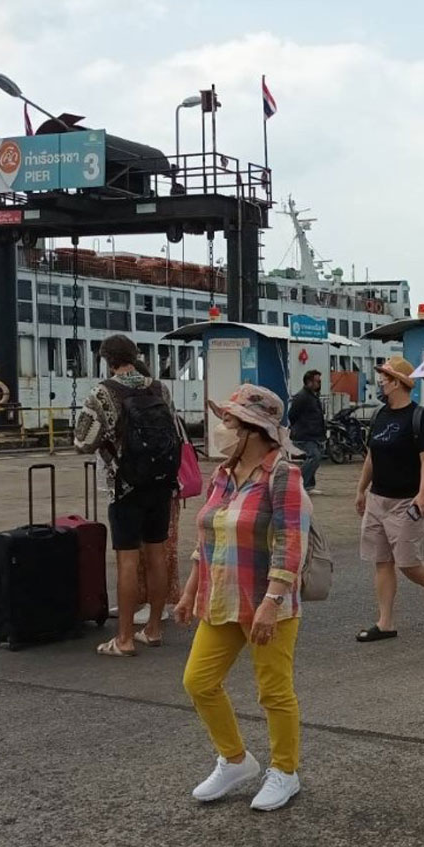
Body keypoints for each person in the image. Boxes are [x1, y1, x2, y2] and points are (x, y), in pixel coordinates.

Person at [176, 384, 309, 811]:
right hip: (221, 598)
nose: (221, 428)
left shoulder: (283, 474)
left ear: (253, 429)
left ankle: (285, 772)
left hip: (267, 601)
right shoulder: (223, 475)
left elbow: (291, 542)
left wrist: (272, 602)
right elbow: (207, 537)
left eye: (229, 422)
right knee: (198, 681)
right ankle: (235, 759)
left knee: (273, 691)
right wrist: (189, 591)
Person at [75, 333, 179, 657]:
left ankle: (124, 638)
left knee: (127, 560)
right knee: (157, 555)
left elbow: (83, 442)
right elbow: (174, 431)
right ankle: (154, 630)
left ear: (107, 359)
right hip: (161, 483)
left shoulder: (103, 393)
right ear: (134, 355)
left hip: (127, 486)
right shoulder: (160, 388)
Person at [354, 357, 424, 642]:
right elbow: (372, 455)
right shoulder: (379, 415)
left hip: (405, 502)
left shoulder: (418, 416)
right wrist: (361, 489)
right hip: (377, 500)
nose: (381, 381)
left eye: (385, 376)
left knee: (408, 562)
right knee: (381, 561)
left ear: (398, 382)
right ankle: (385, 623)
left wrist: (423, 493)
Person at [287, 369, 327, 494]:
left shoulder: (313, 396)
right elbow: (291, 415)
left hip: (314, 434)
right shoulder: (302, 397)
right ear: (309, 382)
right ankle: (297, 483)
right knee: (314, 456)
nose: (319, 384)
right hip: (303, 435)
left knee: (314, 456)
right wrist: (299, 427)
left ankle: (308, 486)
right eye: (317, 381)